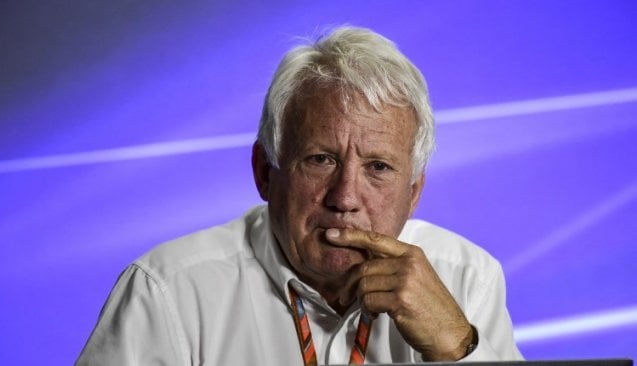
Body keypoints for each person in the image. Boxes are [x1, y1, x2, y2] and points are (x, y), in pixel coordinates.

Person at [76, 26, 523, 365]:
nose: (345, 198)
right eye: (320, 159)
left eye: (378, 168)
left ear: (414, 193)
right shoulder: (167, 292)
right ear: (265, 173)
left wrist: (457, 347)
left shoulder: (468, 279)